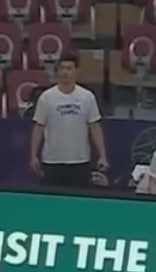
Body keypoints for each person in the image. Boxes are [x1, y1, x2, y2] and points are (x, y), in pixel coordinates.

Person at [30, 52, 108, 187]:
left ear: (77, 71)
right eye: (62, 68)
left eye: (69, 68)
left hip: (80, 161)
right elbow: (39, 127)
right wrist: (33, 155)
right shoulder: (46, 97)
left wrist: (102, 155)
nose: (65, 72)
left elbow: (94, 126)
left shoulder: (87, 97)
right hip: (52, 161)